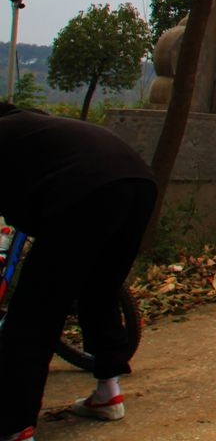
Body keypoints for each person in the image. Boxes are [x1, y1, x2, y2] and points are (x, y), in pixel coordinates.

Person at [0, 103, 157, 441]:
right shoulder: (38, 127)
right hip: (139, 185)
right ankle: (108, 393)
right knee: (100, 291)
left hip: (89, 191)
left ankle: (15, 425)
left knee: (33, 313)